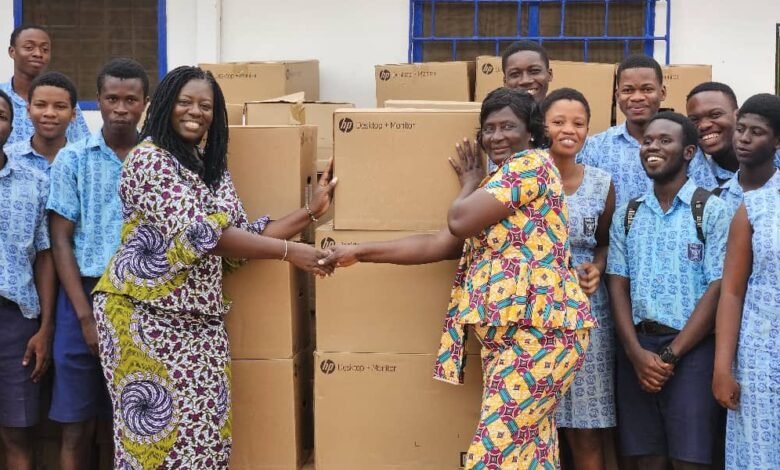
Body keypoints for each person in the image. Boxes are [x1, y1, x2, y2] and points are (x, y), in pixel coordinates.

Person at [323, 87, 595, 469]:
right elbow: (438, 245)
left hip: (540, 336)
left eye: (508, 127)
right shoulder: (500, 188)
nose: (497, 136)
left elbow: (458, 220)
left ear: (531, 132)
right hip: (515, 338)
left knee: (492, 454)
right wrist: (358, 252)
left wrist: (469, 182)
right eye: (489, 129)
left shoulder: (530, 166)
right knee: (530, 453)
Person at [90, 65, 337, 468]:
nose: (195, 112)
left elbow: (240, 235)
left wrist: (311, 212)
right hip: (143, 317)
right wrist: (293, 254)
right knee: (157, 444)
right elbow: (205, 236)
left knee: (206, 438)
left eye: (205, 105)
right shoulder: (149, 161)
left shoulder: (209, 165)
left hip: (199, 319)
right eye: (185, 102)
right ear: (166, 105)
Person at [607, 112, 730, 470]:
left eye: (665, 141)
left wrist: (671, 356)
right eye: (647, 141)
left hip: (692, 353)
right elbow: (617, 284)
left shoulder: (710, 210)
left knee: (690, 459)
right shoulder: (628, 214)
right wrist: (634, 353)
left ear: (689, 151)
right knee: (646, 460)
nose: (652, 148)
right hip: (638, 353)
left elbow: (718, 287)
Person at [46, 58, 150, 470]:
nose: (120, 108)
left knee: (126, 422)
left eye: (130, 99)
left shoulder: (158, 160)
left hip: (143, 300)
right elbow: (59, 239)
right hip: (83, 297)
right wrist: (87, 318)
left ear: (145, 103)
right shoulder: (73, 160)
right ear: (98, 102)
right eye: (111, 99)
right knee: (76, 425)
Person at [541, 88, 616, 470]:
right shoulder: (525, 176)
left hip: (588, 313)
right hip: (536, 313)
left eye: (578, 123)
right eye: (558, 122)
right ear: (543, 127)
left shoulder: (602, 182)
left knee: (586, 430)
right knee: (535, 423)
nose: (568, 130)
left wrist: (598, 266)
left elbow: (604, 244)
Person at [712, 94, 780, 470]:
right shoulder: (757, 206)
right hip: (758, 362)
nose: (744, 138)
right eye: (742, 130)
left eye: (758, 132)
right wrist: (723, 368)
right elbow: (732, 291)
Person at [0, 89, 56, 470]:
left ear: (10, 124)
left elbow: (46, 257)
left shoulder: (33, 181)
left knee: (17, 432)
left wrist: (45, 328)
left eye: (1, 115)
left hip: (16, 322)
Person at [577, 54, 666, 207]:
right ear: (617, 96)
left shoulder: (682, 145)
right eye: (628, 90)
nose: (637, 97)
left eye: (647, 89)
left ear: (662, 92)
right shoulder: (596, 147)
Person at [1, 24, 89, 147]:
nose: (38, 53)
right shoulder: (2, 97)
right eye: (29, 47)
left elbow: (82, 145)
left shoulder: (64, 97)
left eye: (45, 49)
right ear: (12, 52)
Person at [686, 82, 780, 190]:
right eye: (694, 120)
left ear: (737, 116)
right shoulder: (694, 180)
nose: (703, 126)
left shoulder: (774, 155)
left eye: (715, 114)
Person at [708, 94, 780, 214]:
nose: (744, 138)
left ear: (777, 141)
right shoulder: (716, 198)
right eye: (739, 129)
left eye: (756, 132)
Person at [4, 71, 77, 175]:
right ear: (28, 111)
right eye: (40, 105)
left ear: (73, 114)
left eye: (60, 106)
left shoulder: (84, 162)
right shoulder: (6, 159)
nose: (50, 113)